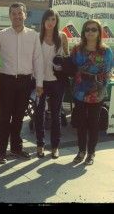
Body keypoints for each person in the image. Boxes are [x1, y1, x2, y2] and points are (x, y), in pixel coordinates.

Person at [0, 2, 43, 164]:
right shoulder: (1, 35)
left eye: (20, 13)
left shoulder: (33, 35)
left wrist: (39, 83)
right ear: (9, 16)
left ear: (25, 15)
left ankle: (16, 148)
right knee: (4, 117)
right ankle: (1, 151)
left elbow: (38, 60)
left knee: (19, 117)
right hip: (6, 81)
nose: (17, 16)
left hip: (25, 81)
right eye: (13, 13)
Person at [71, 19, 113, 165]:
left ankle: (91, 153)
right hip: (80, 92)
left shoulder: (106, 51)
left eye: (94, 29)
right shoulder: (77, 49)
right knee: (81, 123)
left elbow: (107, 72)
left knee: (93, 123)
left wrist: (99, 89)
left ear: (99, 32)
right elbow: (72, 68)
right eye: (87, 29)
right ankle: (81, 151)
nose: (90, 32)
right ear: (83, 32)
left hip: (97, 92)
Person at [35, 9, 69, 159]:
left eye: (53, 19)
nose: (50, 22)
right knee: (39, 114)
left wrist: (61, 64)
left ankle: (55, 147)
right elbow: (35, 61)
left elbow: (66, 58)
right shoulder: (37, 37)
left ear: (56, 21)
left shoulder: (62, 37)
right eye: (48, 19)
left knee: (56, 115)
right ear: (43, 21)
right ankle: (40, 145)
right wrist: (38, 83)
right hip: (40, 82)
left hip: (57, 82)